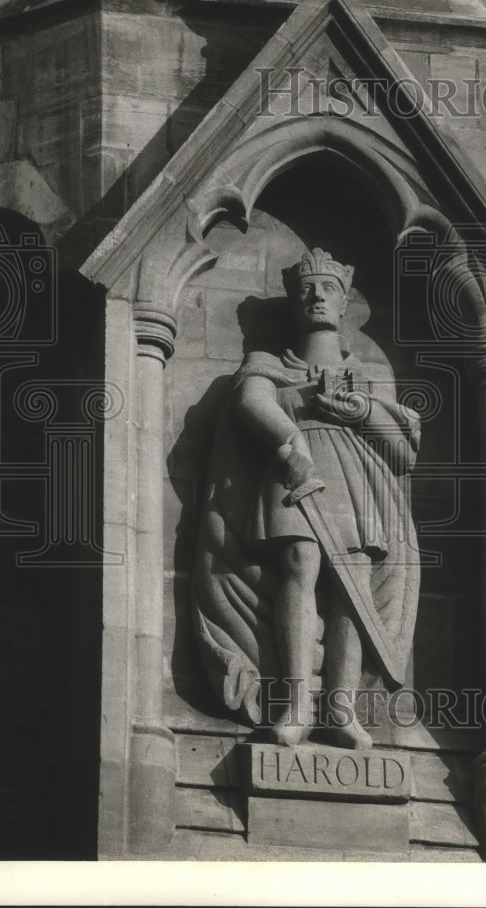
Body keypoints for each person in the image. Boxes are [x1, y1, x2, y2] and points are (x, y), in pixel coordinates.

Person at [193, 248, 421, 750]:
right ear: (295, 303)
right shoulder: (268, 361)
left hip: (356, 479)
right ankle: (296, 702)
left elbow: (403, 454)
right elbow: (251, 401)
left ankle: (341, 710)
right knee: (301, 561)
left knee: (352, 583)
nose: (317, 296)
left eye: (329, 289)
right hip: (296, 469)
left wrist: (363, 411)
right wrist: (289, 437)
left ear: (343, 304)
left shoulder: (369, 377)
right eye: (307, 289)